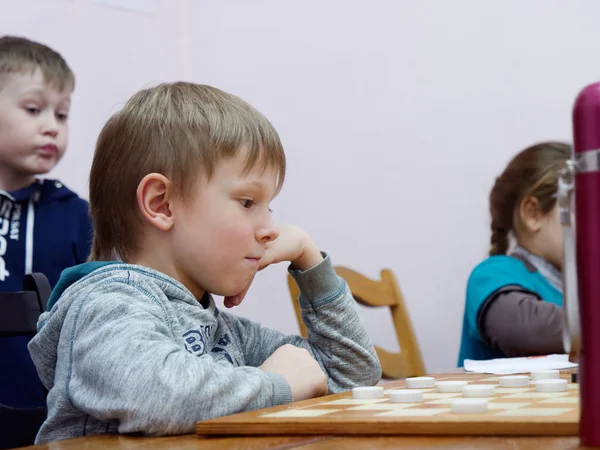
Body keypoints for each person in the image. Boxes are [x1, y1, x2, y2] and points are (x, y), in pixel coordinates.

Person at [28, 82, 382, 444]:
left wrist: (309, 260)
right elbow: (154, 395)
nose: (271, 229)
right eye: (247, 202)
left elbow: (350, 378)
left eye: (269, 206)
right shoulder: (107, 305)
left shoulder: (220, 328)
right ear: (162, 204)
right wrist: (277, 385)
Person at [0, 35, 92, 413]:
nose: (52, 126)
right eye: (34, 108)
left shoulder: (77, 217)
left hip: (50, 420)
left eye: (62, 114)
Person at [457, 141, 570, 366]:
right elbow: (525, 329)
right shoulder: (493, 273)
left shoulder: (583, 289)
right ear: (533, 214)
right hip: (502, 402)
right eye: (587, 209)